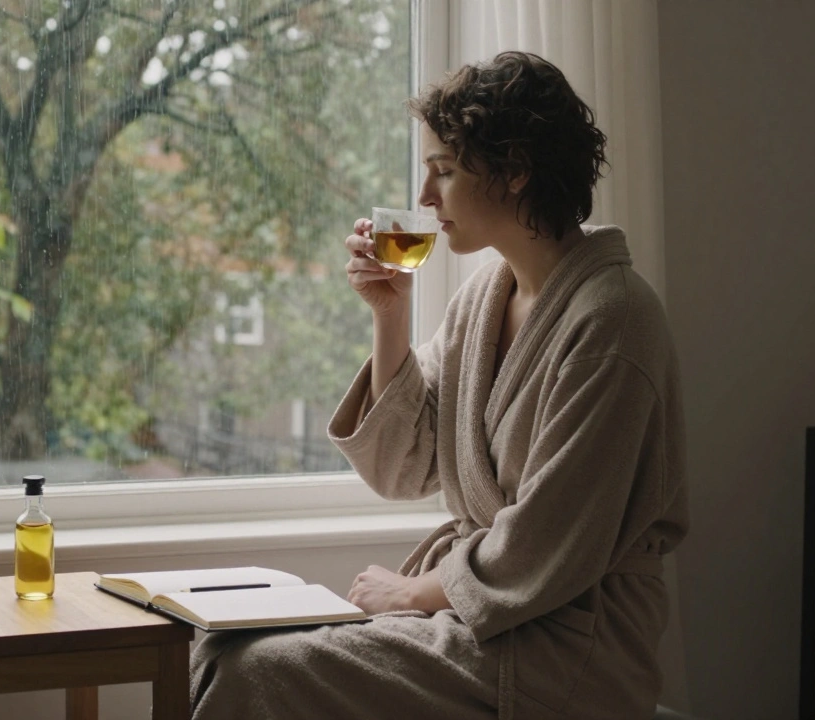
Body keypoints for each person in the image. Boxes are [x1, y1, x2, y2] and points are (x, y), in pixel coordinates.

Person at [188, 50, 689, 720]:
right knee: (222, 647)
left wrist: (412, 594)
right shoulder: (484, 299)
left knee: (254, 667)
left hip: (567, 644)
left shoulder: (614, 319)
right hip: (485, 619)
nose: (425, 197)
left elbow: (550, 538)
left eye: (444, 171)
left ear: (515, 169)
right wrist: (389, 314)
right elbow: (403, 469)